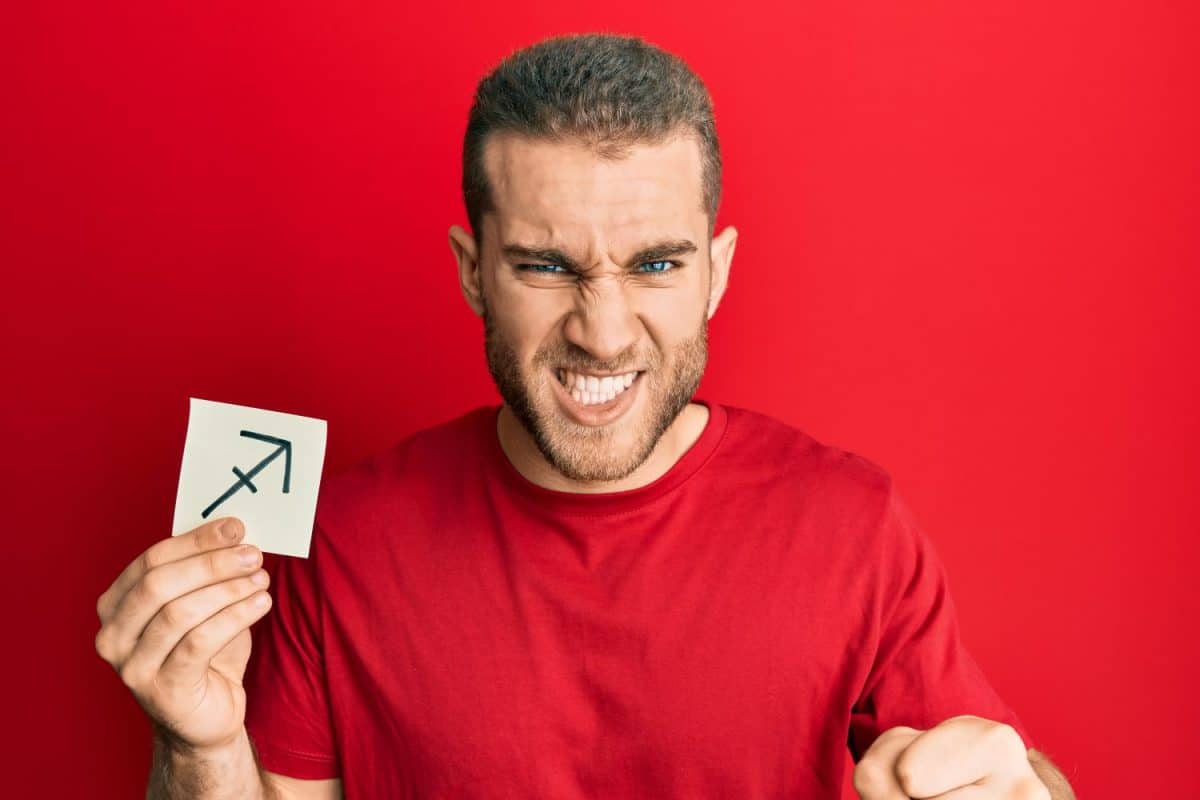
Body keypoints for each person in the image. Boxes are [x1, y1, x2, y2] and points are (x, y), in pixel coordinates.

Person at [95, 33, 1076, 800]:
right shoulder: (342, 543)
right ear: (473, 271)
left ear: (717, 271)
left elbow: (1010, 775)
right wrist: (200, 744)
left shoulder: (852, 527)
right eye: (544, 265)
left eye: (654, 263)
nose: (603, 333)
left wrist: (1025, 786)